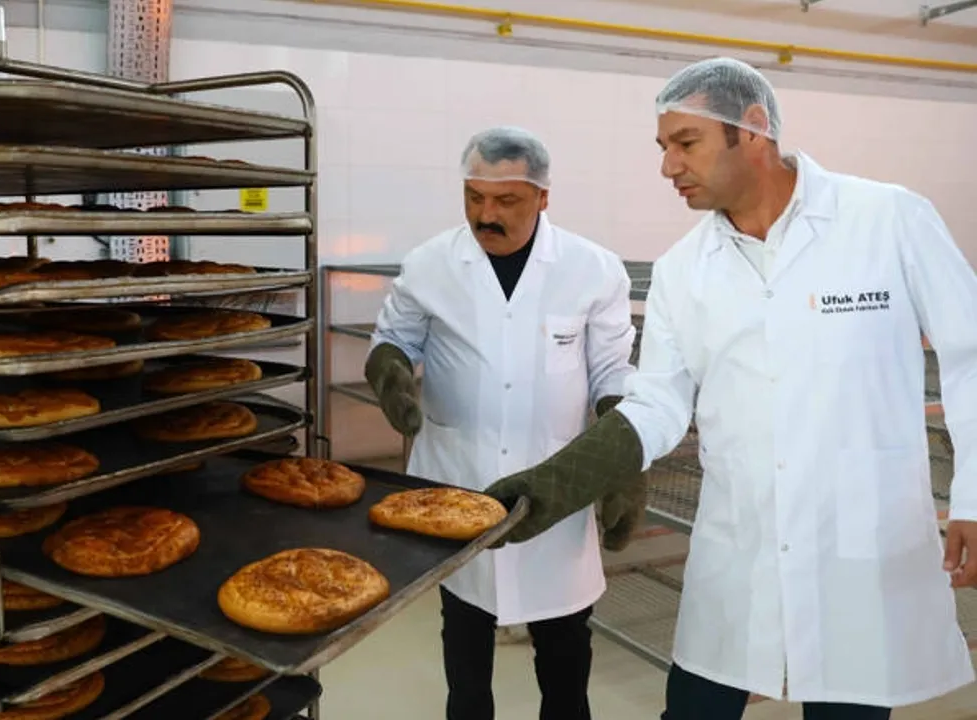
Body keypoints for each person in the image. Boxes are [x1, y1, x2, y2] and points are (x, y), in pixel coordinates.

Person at [484, 57, 977, 719]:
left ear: (752, 128)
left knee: (849, 706)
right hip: (738, 550)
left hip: (860, 543)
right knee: (695, 707)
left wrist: (975, 497)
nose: (668, 166)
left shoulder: (887, 219)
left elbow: (971, 356)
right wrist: (555, 483)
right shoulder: (684, 270)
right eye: (663, 147)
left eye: (686, 143)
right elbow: (657, 403)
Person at [364, 125, 646, 720]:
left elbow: (613, 372)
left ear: (543, 197)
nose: (485, 215)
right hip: (457, 486)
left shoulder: (593, 269)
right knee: (465, 654)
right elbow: (396, 336)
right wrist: (390, 369)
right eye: (474, 197)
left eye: (506, 200)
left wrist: (622, 465)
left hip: (557, 488)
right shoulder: (430, 264)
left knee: (565, 657)